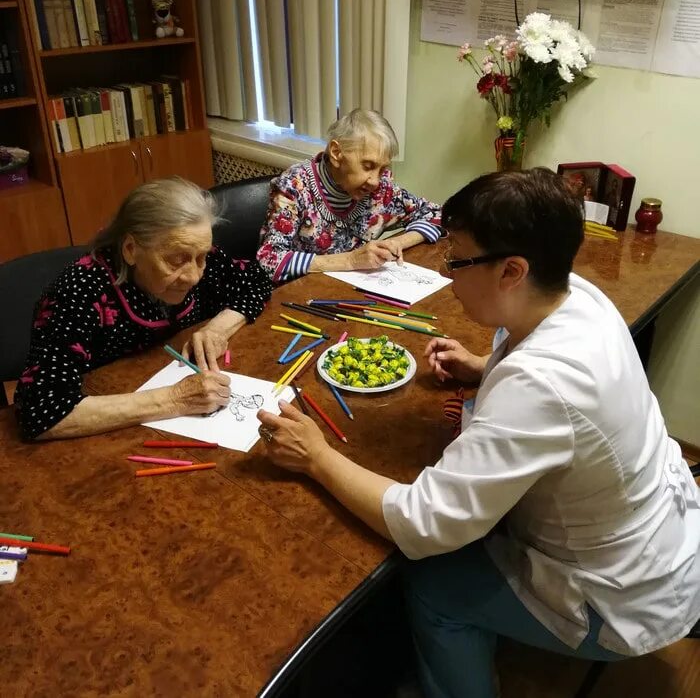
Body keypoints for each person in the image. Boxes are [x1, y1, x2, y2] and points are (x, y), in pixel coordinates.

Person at [256, 168, 700, 697]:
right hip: (663, 536)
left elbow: (423, 525)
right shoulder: (577, 294)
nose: (447, 272)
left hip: (620, 595)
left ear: (512, 270)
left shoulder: (540, 386)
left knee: (432, 584)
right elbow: (549, 390)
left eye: (457, 260)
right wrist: (486, 366)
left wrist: (316, 457)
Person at [15, 177, 272, 441]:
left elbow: (256, 280)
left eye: (202, 257)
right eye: (175, 260)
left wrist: (217, 328)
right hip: (108, 438)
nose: (194, 276)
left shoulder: (193, 254)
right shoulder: (80, 290)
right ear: (130, 249)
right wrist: (174, 399)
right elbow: (40, 411)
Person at [256, 108, 442, 282]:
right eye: (368, 166)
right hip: (299, 293)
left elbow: (440, 215)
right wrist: (351, 261)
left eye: (382, 168)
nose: (375, 181)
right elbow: (269, 259)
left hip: (352, 289)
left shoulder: (381, 188)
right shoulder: (295, 185)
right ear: (336, 153)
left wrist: (396, 243)